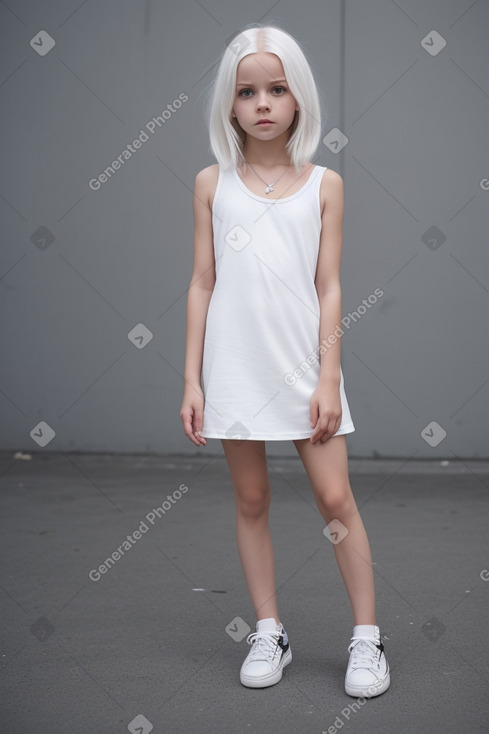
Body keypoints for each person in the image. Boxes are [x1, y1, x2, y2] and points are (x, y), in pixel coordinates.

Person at [180, 23, 390, 698]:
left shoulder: (324, 184)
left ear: (297, 99)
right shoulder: (211, 184)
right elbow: (201, 283)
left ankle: (366, 639)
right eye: (248, 91)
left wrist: (328, 375)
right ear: (229, 103)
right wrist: (191, 378)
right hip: (235, 366)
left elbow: (327, 286)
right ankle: (268, 628)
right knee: (250, 498)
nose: (262, 103)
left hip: (304, 365)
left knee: (335, 498)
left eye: (276, 89)